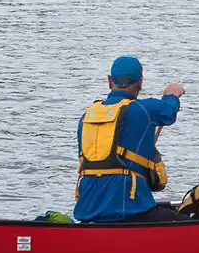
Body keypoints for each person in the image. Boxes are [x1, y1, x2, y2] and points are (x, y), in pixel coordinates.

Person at [74, 55, 189, 223]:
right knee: (188, 221)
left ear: (109, 81)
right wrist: (172, 94)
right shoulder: (143, 109)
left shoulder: (87, 116)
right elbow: (168, 112)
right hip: (131, 209)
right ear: (140, 82)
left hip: (88, 209)